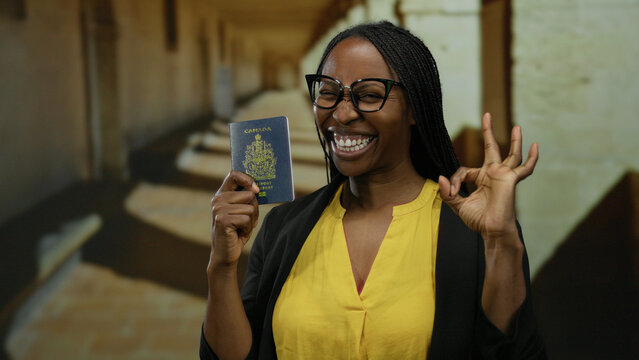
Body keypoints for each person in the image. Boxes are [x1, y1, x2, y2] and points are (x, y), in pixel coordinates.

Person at [200, 21, 546, 359]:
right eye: (329, 93)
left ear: (414, 109)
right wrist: (222, 267)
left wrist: (501, 242)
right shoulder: (283, 229)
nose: (343, 112)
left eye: (368, 95)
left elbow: (508, 350)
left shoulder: (471, 231)